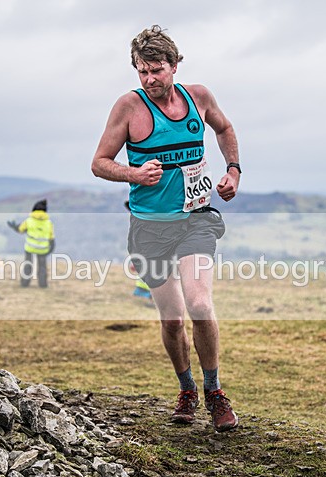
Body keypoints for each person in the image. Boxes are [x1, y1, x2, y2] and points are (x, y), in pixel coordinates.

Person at [92, 25, 241, 432]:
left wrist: (233, 170)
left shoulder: (199, 97)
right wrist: (134, 174)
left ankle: (214, 392)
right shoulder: (128, 107)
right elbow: (100, 162)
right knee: (173, 320)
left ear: (176, 65)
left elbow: (224, 129)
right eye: (142, 71)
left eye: (157, 69)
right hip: (149, 227)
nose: (150, 79)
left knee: (199, 304)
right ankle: (187, 389)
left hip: (195, 220)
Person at [8, 199, 55, 288]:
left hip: (30, 248)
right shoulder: (49, 223)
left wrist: (15, 227)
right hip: (43, 249)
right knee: (42, 267)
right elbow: (51, 238)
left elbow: (21, 229)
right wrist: (51, 248)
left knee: (28, 265)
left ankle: (25, 283)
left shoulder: (29, 221)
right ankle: (43, 285)